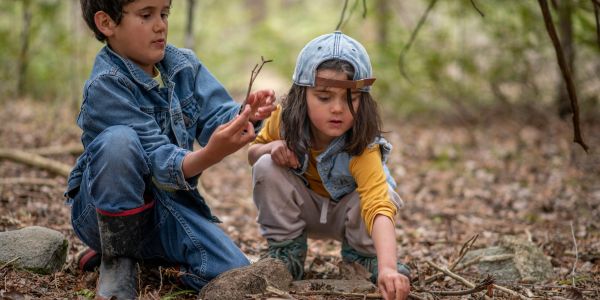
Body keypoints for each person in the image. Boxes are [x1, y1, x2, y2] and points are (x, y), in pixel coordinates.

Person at [65, 0, 276, 298]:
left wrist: (247, 116)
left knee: (232, 270)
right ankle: (117, 257)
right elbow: (158, 160)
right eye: (146, 14)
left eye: (164, 13)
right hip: (101, 213)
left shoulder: (183, 65)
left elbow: (218, 116)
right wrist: (210, 154)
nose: (160, 24)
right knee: (119, 141)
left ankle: (151, 261)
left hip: (164, 207)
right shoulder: (105, 85)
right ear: (107, 24)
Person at [248, 31, 411, 300]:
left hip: (347, 216)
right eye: (324, 97)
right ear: (303, 95)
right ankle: (287, 251)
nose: (337, 108)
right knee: (266, 165)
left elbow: (377, 205)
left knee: (381, 192)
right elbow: (253, 153)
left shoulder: (363, 144)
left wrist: (388, 268)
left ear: (364, 99)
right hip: (302, 209)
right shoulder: (285, 121)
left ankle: (362, 257)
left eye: (351, 99)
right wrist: (271, 146)